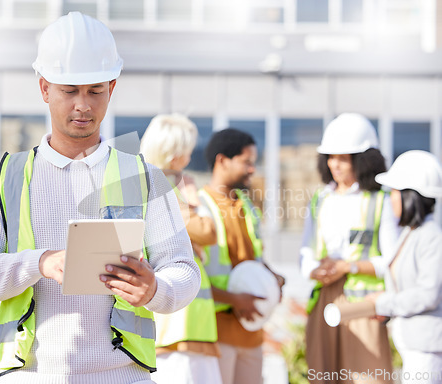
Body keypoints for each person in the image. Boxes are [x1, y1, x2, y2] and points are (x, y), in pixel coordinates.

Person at [0, 12, 200, 384]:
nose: (83, 105)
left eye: (95, 91)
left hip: (123, 377)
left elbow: (184, 271)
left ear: (112, 89)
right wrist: (39, 263)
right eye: (69, 90)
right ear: (44, 89)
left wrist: (155, 290)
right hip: (31, 376)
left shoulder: (143, 177)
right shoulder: (3, 178)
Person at [300, 113, 400, 384]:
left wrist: (349, 267)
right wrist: (315, 271)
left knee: (368, 377)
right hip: (324, 300)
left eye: (343, 158)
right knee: (323, 376)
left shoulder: (382, 200)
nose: (335, 165)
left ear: (363, 160)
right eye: (331, 157)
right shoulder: (320, 200)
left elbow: (393, 260)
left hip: (363, 305)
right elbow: (306, 252)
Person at [140, 113, 222, 384]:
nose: (188, 157)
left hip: (185, 322)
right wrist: (191, 198)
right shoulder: (163, 189)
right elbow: (207, 231)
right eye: (185, 150)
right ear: (175, 153)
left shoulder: (144, 184)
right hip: (177, 325)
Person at [200, 128, 284, 384]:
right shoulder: (200, 208)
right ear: (222, 161)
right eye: (246, 162)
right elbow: (193, 278)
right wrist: (234, 299)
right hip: (216, 333)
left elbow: (253, 257)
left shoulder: (247, 205)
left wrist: (272, 278)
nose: (252, 170)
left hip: (252, 332)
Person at [369, 150, 442, 384]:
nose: (391, 200)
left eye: (395, 193)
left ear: (411, 196)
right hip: (412, 345)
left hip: (427, 348)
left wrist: (385, 303)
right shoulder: (411, 234)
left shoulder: (431, 237)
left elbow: (428, 294)